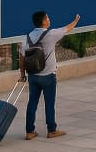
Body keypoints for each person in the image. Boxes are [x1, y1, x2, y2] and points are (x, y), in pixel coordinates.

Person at [21, 9, 80, 140]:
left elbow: (22, 57)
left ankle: (29, 131)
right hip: (48, 76)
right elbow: (67, 29)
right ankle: (51, 130)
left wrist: (22, 74)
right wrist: (76, 20)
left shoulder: (27, 37)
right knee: (49, 103)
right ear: (43, 21)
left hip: (33, 76)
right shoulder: (51, 34)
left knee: (32, 103)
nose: (49, 19)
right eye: (47, 18)